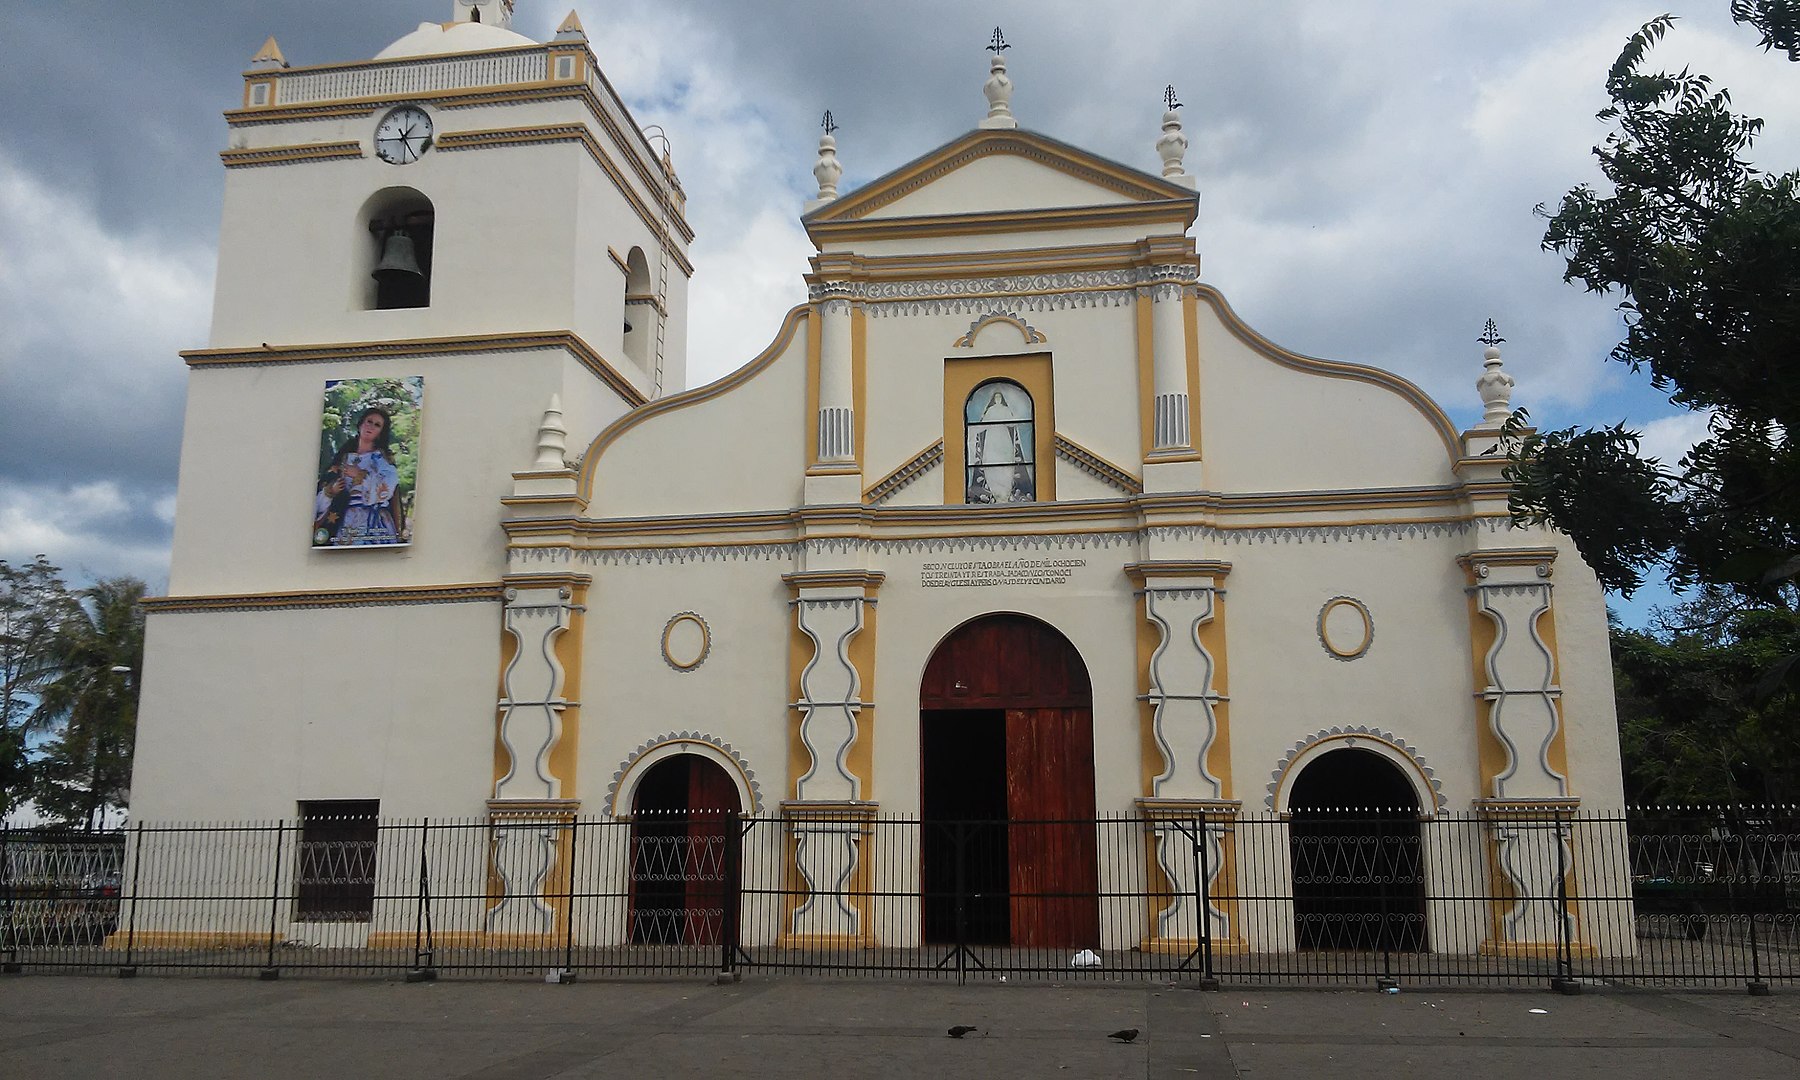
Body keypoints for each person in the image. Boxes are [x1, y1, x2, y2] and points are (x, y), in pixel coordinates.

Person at [313, 407, 405, 545]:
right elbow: (320, 494)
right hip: (344, 521)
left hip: (374, 522)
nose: (371, 426)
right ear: (361, 424)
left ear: (380, 433)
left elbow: (387, 488)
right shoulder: (342, 459)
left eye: (377, 425)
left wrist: (361, 475)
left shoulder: (382, 460)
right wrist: (330, 491)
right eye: (369, 421)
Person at [968, 388, 1033, 503]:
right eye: (996, 398)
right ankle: (996, 494)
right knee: (991, 459)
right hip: (991, 440)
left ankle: (1005, 494)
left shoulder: (1005, 410)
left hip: (1004, 439)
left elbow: (1012, 423)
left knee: (1006, 461)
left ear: (1002, 400)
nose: (998, 400)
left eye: (999, 398)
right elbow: (983, 425)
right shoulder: (990, 411)